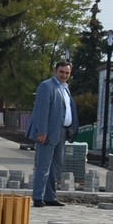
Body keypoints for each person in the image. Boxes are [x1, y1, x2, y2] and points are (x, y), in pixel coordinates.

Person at [27, 59, 76, 207]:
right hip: (47, 133)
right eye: (61, 72)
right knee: (43, 166)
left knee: (55, 167)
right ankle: (38, 197)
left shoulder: (65, 88)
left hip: (61, 132)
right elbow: (42, 111)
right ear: (56, 71)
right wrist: (42, 131)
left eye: (67, 73)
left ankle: (50, 197)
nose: (64, 75)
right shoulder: (46, 86)